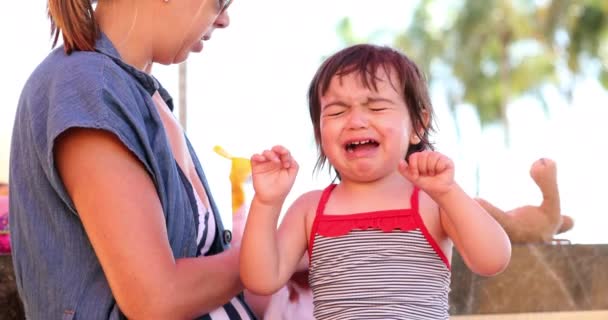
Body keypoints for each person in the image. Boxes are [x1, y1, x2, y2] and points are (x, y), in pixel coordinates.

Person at [9, 0, 266, 319]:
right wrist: (273, 253)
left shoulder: (139, 96)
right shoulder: (88, 89)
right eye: (219, 2)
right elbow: (155, 299)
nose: (224, 19)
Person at [239, 44, 512, 319]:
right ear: (320, 134)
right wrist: (266, 202)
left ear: (418, 125)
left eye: (377, 107)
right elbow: (261, 280)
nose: (355, 121)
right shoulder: (310, 208)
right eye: (336, 112)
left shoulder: (431, 201)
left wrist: (449, 192)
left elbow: (493, 259)